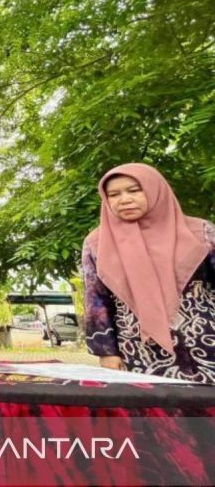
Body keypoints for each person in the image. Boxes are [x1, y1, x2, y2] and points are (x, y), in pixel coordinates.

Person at [83, 163, 215, 383]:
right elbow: (96, 301)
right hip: (139, 351)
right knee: (156, 414)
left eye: (134, 190)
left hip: (206, 339)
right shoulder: (97, 243)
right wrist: (106, 351)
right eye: (113, 194)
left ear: (155, 189)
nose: (124, 199)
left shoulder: (201, 232)